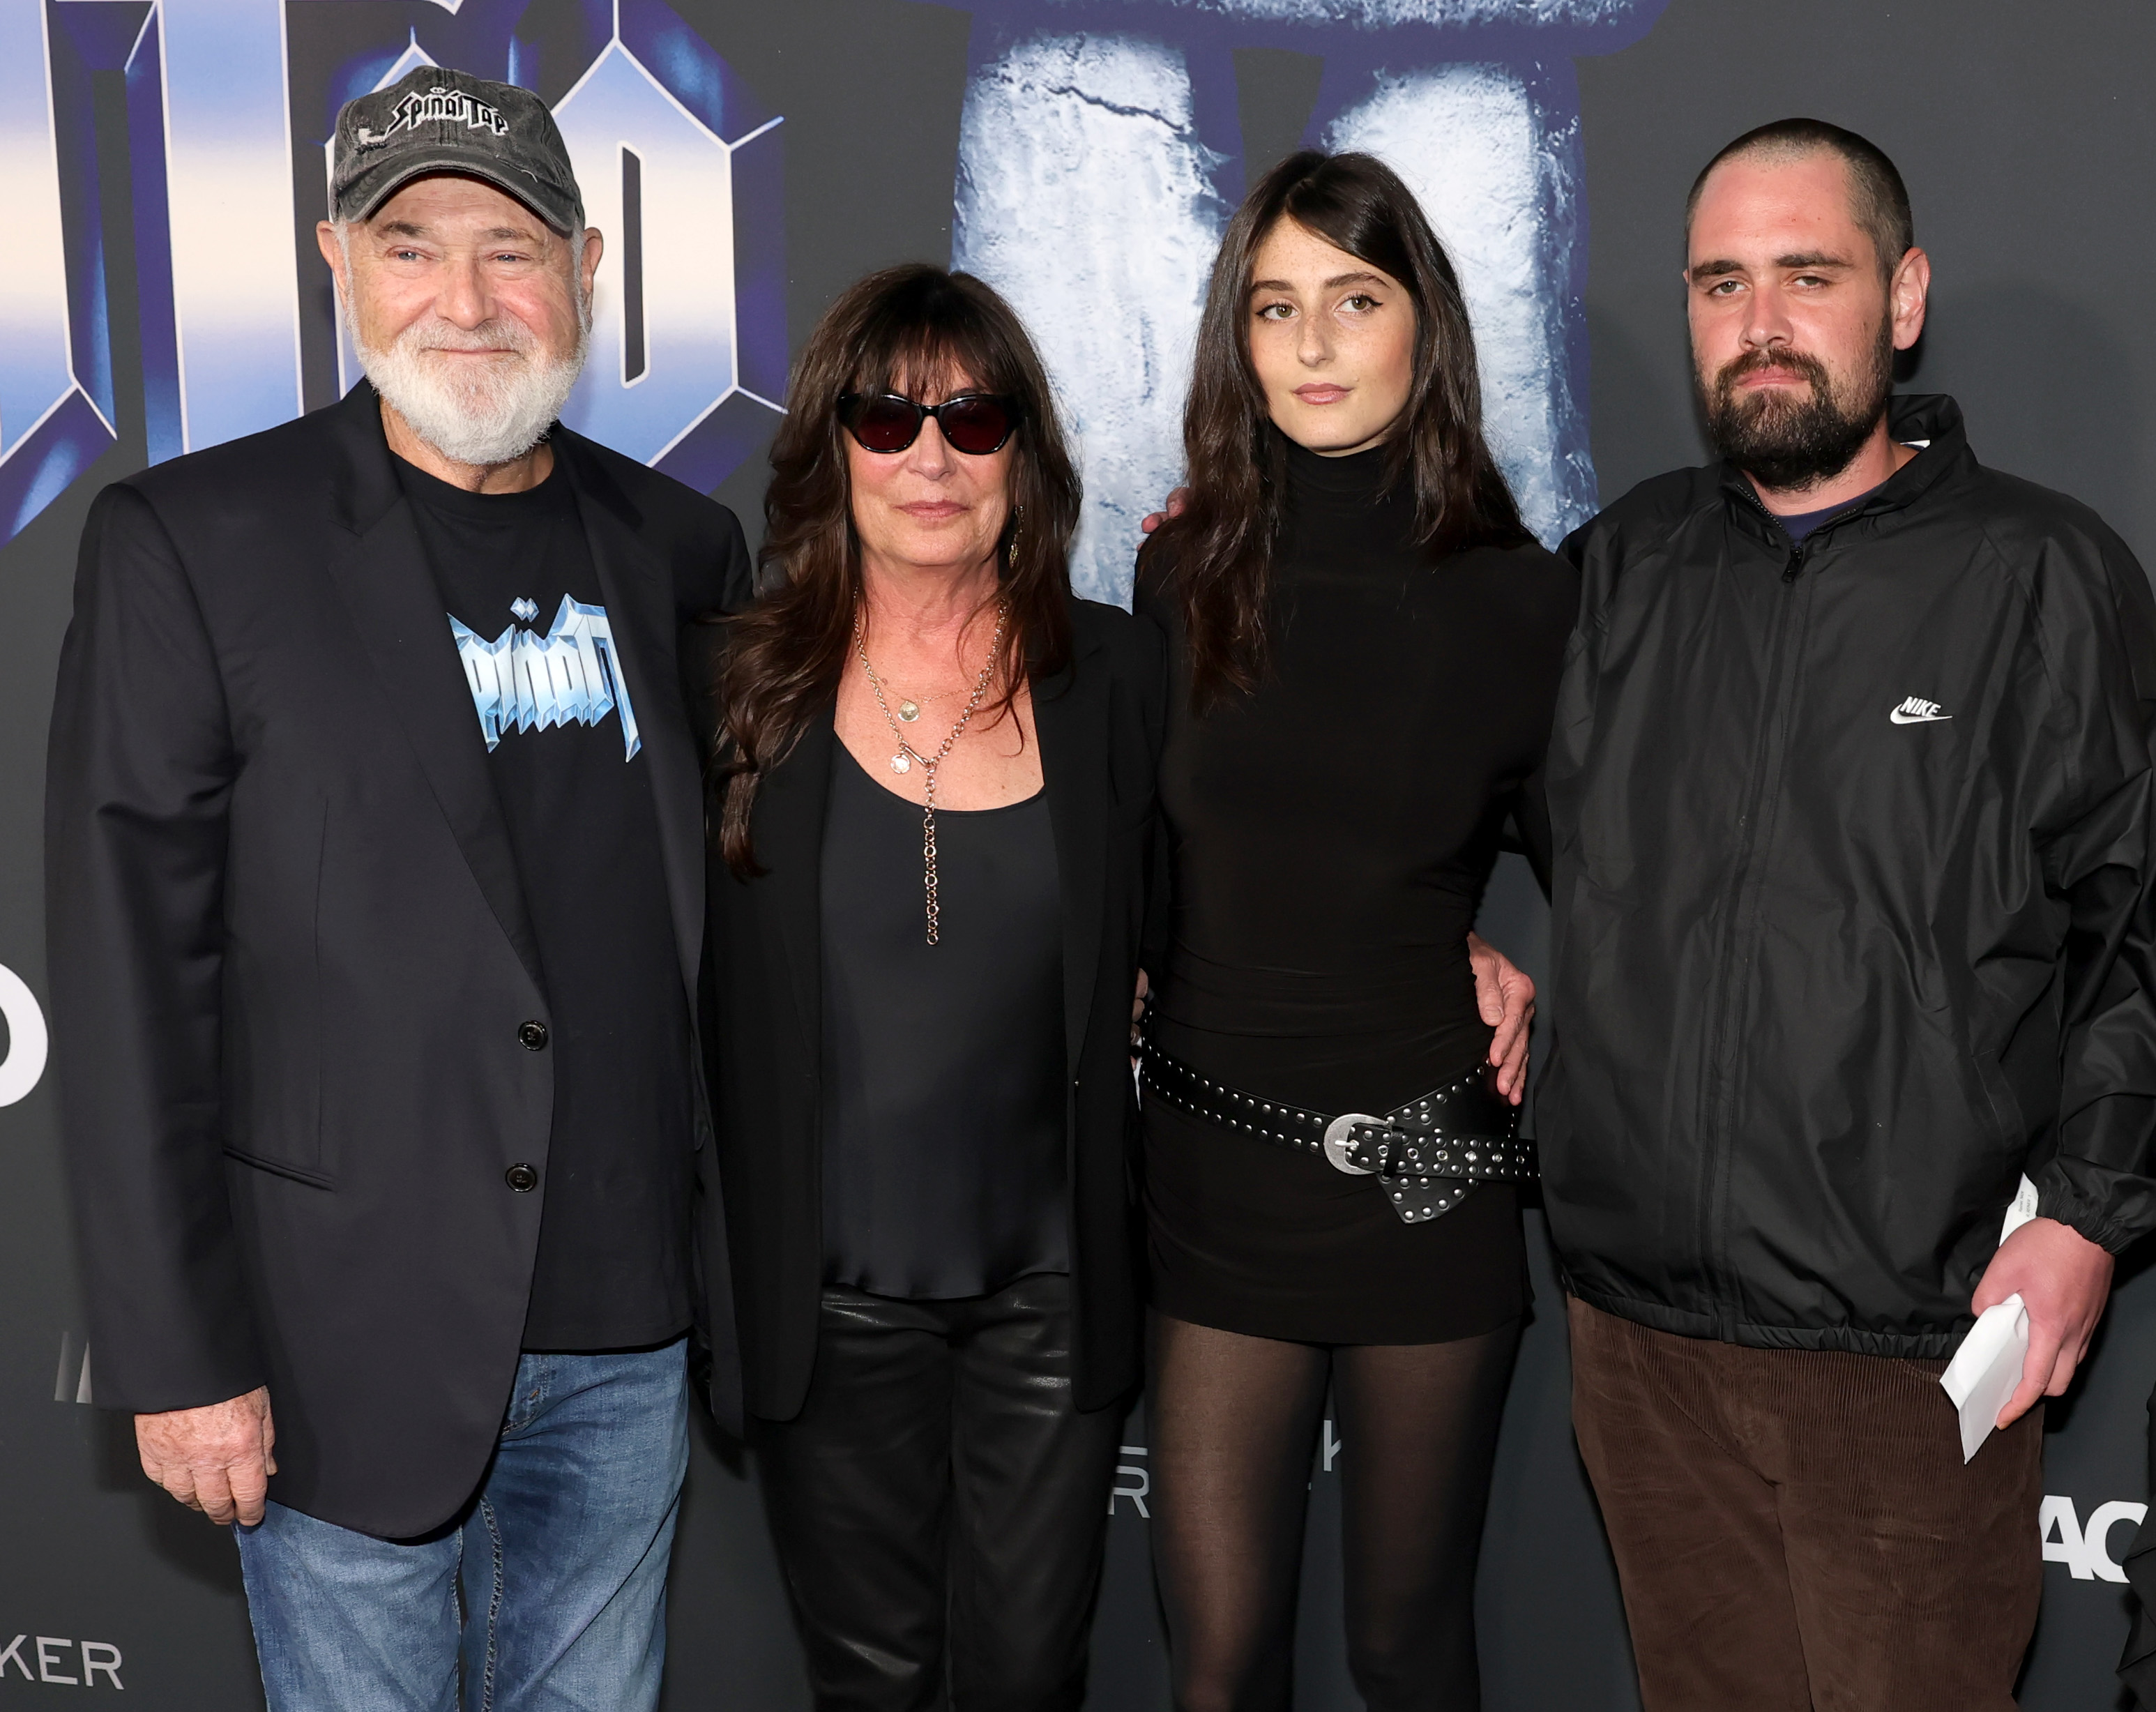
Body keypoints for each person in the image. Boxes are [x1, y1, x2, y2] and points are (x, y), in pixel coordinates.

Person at [44, 66, 750, 1711]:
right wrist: (181, 1355)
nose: (468, 297)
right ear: (335, 263)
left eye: (511, 248)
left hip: (628, 1333)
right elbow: (129, 968)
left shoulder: (681, 549)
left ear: (586, 269)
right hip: (335, 1340)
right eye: (412, 245)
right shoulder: (194, 539)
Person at [1539, 117, 2156, 1712]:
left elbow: (2138, 923)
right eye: (1720, 282)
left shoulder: (2042, 576)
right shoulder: (1615, 576)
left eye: (1805, 276)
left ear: (1902, 296)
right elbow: (1452, 828)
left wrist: (2088, 1212)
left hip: (1910, 1345)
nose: (1759, 323)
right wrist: (1457, 946)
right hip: (1639, 1341)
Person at [1130, 151, 1574, 1711]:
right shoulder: (1178, 571)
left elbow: (1626, 875)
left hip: (1427, 1164)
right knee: (1221, 1663)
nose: (1312, 344)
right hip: (1210, 1166)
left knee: (1406, 1650)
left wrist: (1525, 970)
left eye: (1354, 299)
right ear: (1236, 340)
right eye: (1274, 306)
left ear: (1422, 325)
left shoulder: (1523, 600)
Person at [699, 263, 1165, 1710]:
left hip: (1050, 1291)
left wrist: (1450, 935)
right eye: (885, 416)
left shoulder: (1126, 675)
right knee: (874, 1683)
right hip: (829, 1308)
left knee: (1031, 1680)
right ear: (829, 445)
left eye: (973, 418)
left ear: (1024, 452)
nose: (929, 457)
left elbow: (1258, 885)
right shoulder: (733, 683)